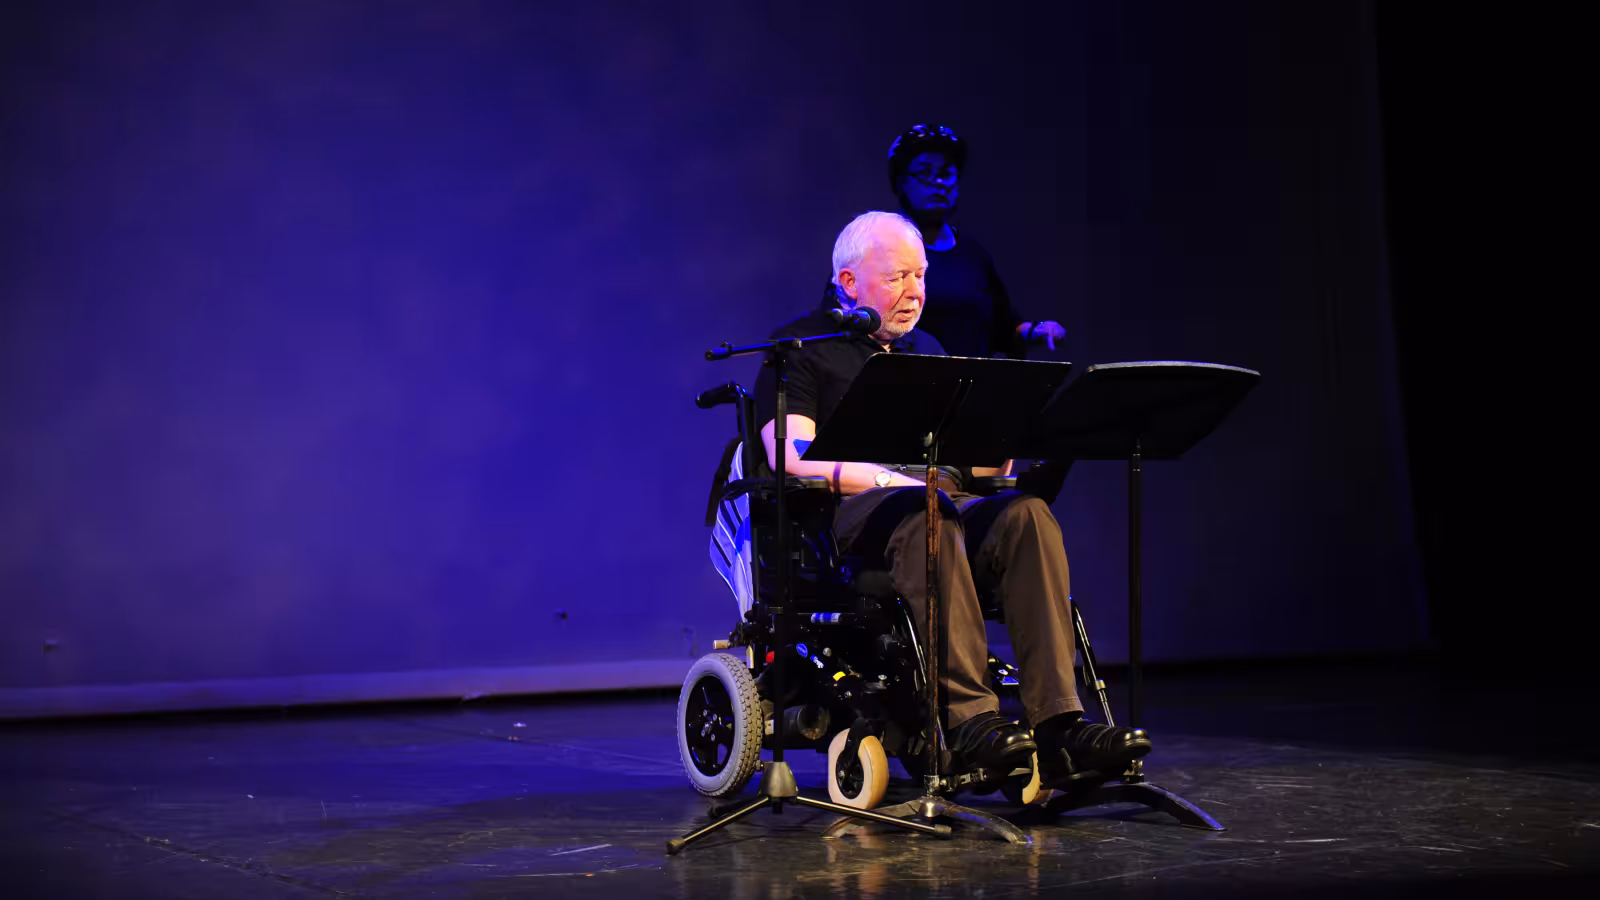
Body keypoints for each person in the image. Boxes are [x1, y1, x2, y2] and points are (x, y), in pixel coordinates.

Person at [756, 211, 1150, 787]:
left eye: (920, 276)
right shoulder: (802, 349)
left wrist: (1027, 437)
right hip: (857, 515)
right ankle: (972, 722)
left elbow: (973, 461)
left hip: (941, 500)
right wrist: (896, 483)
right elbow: (792, 456)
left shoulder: (928, 347)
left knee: (1026, 517)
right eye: (896, 278)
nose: (915, 293)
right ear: (848, 283)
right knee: (929, 512)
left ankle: (1060, 725)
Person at [880, 123, 1066, 360]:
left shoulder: (971, 254)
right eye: (925, 173)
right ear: (901, 183)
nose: (938, 182)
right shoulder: (879, 248)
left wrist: (1036, 331)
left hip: (971, 388)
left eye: (946, 173)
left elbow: (1003, 327)